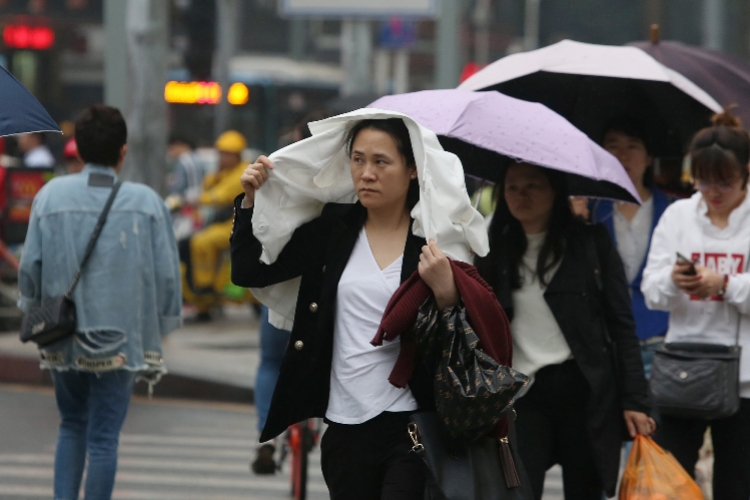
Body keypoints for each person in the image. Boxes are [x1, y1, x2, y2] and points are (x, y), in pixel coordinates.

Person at [231, 116, 491, 499]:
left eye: (381, 162)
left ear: (413, 170)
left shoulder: (434, 242)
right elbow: (250, 271)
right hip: (344, 425)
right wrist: (250, 203)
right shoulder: (335, 227)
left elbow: (471, 335)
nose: (366, 173)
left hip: (410, 426)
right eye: (358, 160)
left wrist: (448, 293)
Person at [17, 104, 182, 500]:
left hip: (62, 332)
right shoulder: (147, 204)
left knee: (71, 424)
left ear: (77, 151)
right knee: (104, 438)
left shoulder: (50, 195)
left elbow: (30, 269)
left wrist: (31, 308)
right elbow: (166, 278)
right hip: (121, 340)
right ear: (123, 153)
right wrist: (163, 325)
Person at [475, 162, 654, 500]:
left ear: (556, 191)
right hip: (521, 394)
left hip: (583, 391)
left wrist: (635, 400)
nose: (520, 195)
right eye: (512, 187)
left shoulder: (589, 242)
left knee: (585, 489)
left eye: (533, 186)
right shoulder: (491, 248)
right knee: (518, 490)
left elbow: (621, 324)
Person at [641, 109, 750, 500]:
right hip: (684, 367)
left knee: (737, 483)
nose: (713, 191)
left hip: (745, 379)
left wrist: (726, 284)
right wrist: (675, 279)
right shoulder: (678, 216)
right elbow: (651, 291)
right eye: (703, 180)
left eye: (726, 182)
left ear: (746, 173)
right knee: (671, 483)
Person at [591, 118, 671, 375]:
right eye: (612, 146)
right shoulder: (590, 210)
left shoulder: (672, 210)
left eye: (633, 146)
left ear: (649, 158)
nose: (622, 156)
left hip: (661, 337)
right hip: (606, 337)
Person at [179, 130, 247, 320]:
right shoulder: (224, 172)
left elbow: (221, 195)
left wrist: (196, 199)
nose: (223, 157)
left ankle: (205, 285)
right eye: (221, 153)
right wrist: (215, 175)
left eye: (227, 154)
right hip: (226, 222)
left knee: (201, 241)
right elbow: (209, 187)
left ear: (237, 155)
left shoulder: (242, 171)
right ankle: (203, 302)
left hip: (238, 225)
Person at [167, 135, 205, 203]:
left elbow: (178, 187)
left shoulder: (183, 161)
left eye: (172, 148)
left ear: (179, 145)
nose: (170, 152)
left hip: (187, 202)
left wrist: (170, 184)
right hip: (202, 199)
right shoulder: (197, 158)